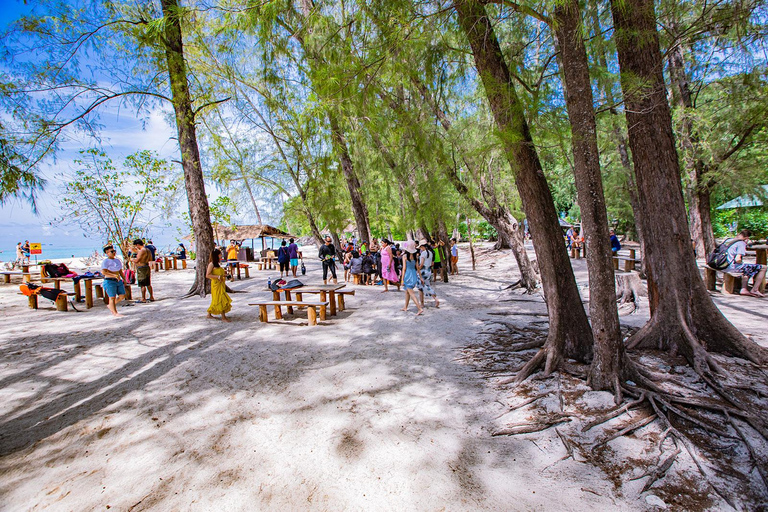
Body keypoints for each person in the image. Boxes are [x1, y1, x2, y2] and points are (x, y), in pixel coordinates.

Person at [726, 230, 766, 298]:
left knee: (747, 268)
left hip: (723, 265)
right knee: (764, 267)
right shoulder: (741, 243)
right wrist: (741, 263)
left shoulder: (730, 240)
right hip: (731, 267)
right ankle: (755, 289)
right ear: (747, 238)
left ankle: (744, 289)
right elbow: (737, 259)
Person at [206, 248, 232, 321]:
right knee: (220, 299)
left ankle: (209, 313)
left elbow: (220, 273)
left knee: (216, 299)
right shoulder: (211, 264)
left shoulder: (218, 264)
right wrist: (217, 277)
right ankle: (223, 317)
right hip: (215, 285)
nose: (221, 255)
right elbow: (207, 275)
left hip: (221, 284)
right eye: (220, 254)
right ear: (216, 255)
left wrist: (226, 275)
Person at [101, 244, 126, 317]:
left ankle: (111, 305)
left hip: (118, 281)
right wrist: (114, 275)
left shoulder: (117, 261)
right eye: (112, 251)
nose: (114, 253)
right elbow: (104, 272)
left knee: (122, 295)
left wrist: (124, 279)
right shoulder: (106, 261)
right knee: (112, 297)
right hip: (109, 281)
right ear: (107, 253)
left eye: (114, 251)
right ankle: (115, 312)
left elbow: (120, 271)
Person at [400, 241, 424, 315]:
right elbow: (417, 268)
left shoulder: (404, 256)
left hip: (408, 275)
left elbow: (404, 269)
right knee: (407, 292)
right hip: (414, 274)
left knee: (411, 293)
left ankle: (419, 308)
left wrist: (402, 279)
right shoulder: (415, 256)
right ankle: (405, 307)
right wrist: (421, 277)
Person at [131, 239, 155, 303]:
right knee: (148, 283)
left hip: (141, 268)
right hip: (147, 266)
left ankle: (143, 298)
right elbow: (150, 258)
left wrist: (132, 260)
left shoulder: (142, 251)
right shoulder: (148, 250)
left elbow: (137, 260)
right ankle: (151, 296)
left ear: (138, 245)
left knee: (142, 284)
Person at [417, 239, 439, 308]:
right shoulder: (430, 252)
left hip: (423, 271)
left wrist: (418, 269)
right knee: (426, 285)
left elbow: (421, 264)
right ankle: (434, 299)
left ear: (422, 246)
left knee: (421, 288)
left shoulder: (423, 253)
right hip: (429, 271)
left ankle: (423, 303)